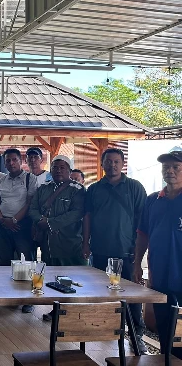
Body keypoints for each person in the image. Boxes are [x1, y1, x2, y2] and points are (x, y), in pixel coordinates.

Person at [83, 147, 147, 352]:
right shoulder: (94, 189)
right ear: (102, 164)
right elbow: (88, 217)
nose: (112, 165)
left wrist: (138, 252)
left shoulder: (135, 187)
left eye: (116, 162)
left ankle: (137, 335)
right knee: (104, 292)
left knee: (132, 296)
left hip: (126, 251)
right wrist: (85, 242)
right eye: (108, 162)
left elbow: (142, 221)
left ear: (122, 164)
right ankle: (109, 331)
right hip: (101, 250)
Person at [134, 150, 182, 358]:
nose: (170, 171)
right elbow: (142, 234)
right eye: (166, 167)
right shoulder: (153, 200)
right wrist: (137, 263)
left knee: (181, 335)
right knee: (164, 332)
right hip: (160, 278)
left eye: (176, 167)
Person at [29, 155, 86, 321]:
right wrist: (41, 221)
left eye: (62, 167)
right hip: (48, 244)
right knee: (54, 278)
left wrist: (51, 223)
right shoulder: (44, 188)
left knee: (71, 278)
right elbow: (33, 209)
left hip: (69, 242)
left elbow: (77, 213)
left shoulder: (77, 189)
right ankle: (57, 311)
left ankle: (75, 315)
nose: (58, 170)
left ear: (69, 170)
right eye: (55, 167)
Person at [0, 148, 37, 313]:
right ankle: (8, 295)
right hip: (3, 224)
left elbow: (29, 203)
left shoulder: (29, 179)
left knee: (25, 261)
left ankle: (29, 299)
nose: (11, 163)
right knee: (4, 260)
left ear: (21, 161)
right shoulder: (2, 180)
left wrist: (14, 220)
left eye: (14, 160)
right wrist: (2, 220)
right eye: (8, 160)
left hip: (22, 225)